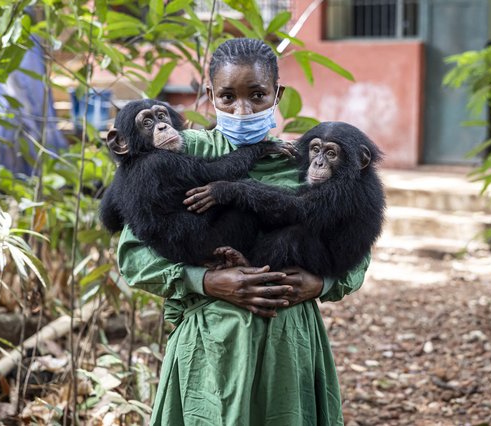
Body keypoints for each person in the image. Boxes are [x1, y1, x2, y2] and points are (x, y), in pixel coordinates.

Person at [117, 38, 371, 425]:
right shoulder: (176, 154)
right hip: (210, 343)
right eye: (228, 97)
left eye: (257, 95)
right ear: (210, 96)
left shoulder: (306, 160)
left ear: (277, 94)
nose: (243, 109)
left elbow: (357, 248)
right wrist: (206, 280)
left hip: (289, 343)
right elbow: (133, 258)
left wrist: (320, 284)